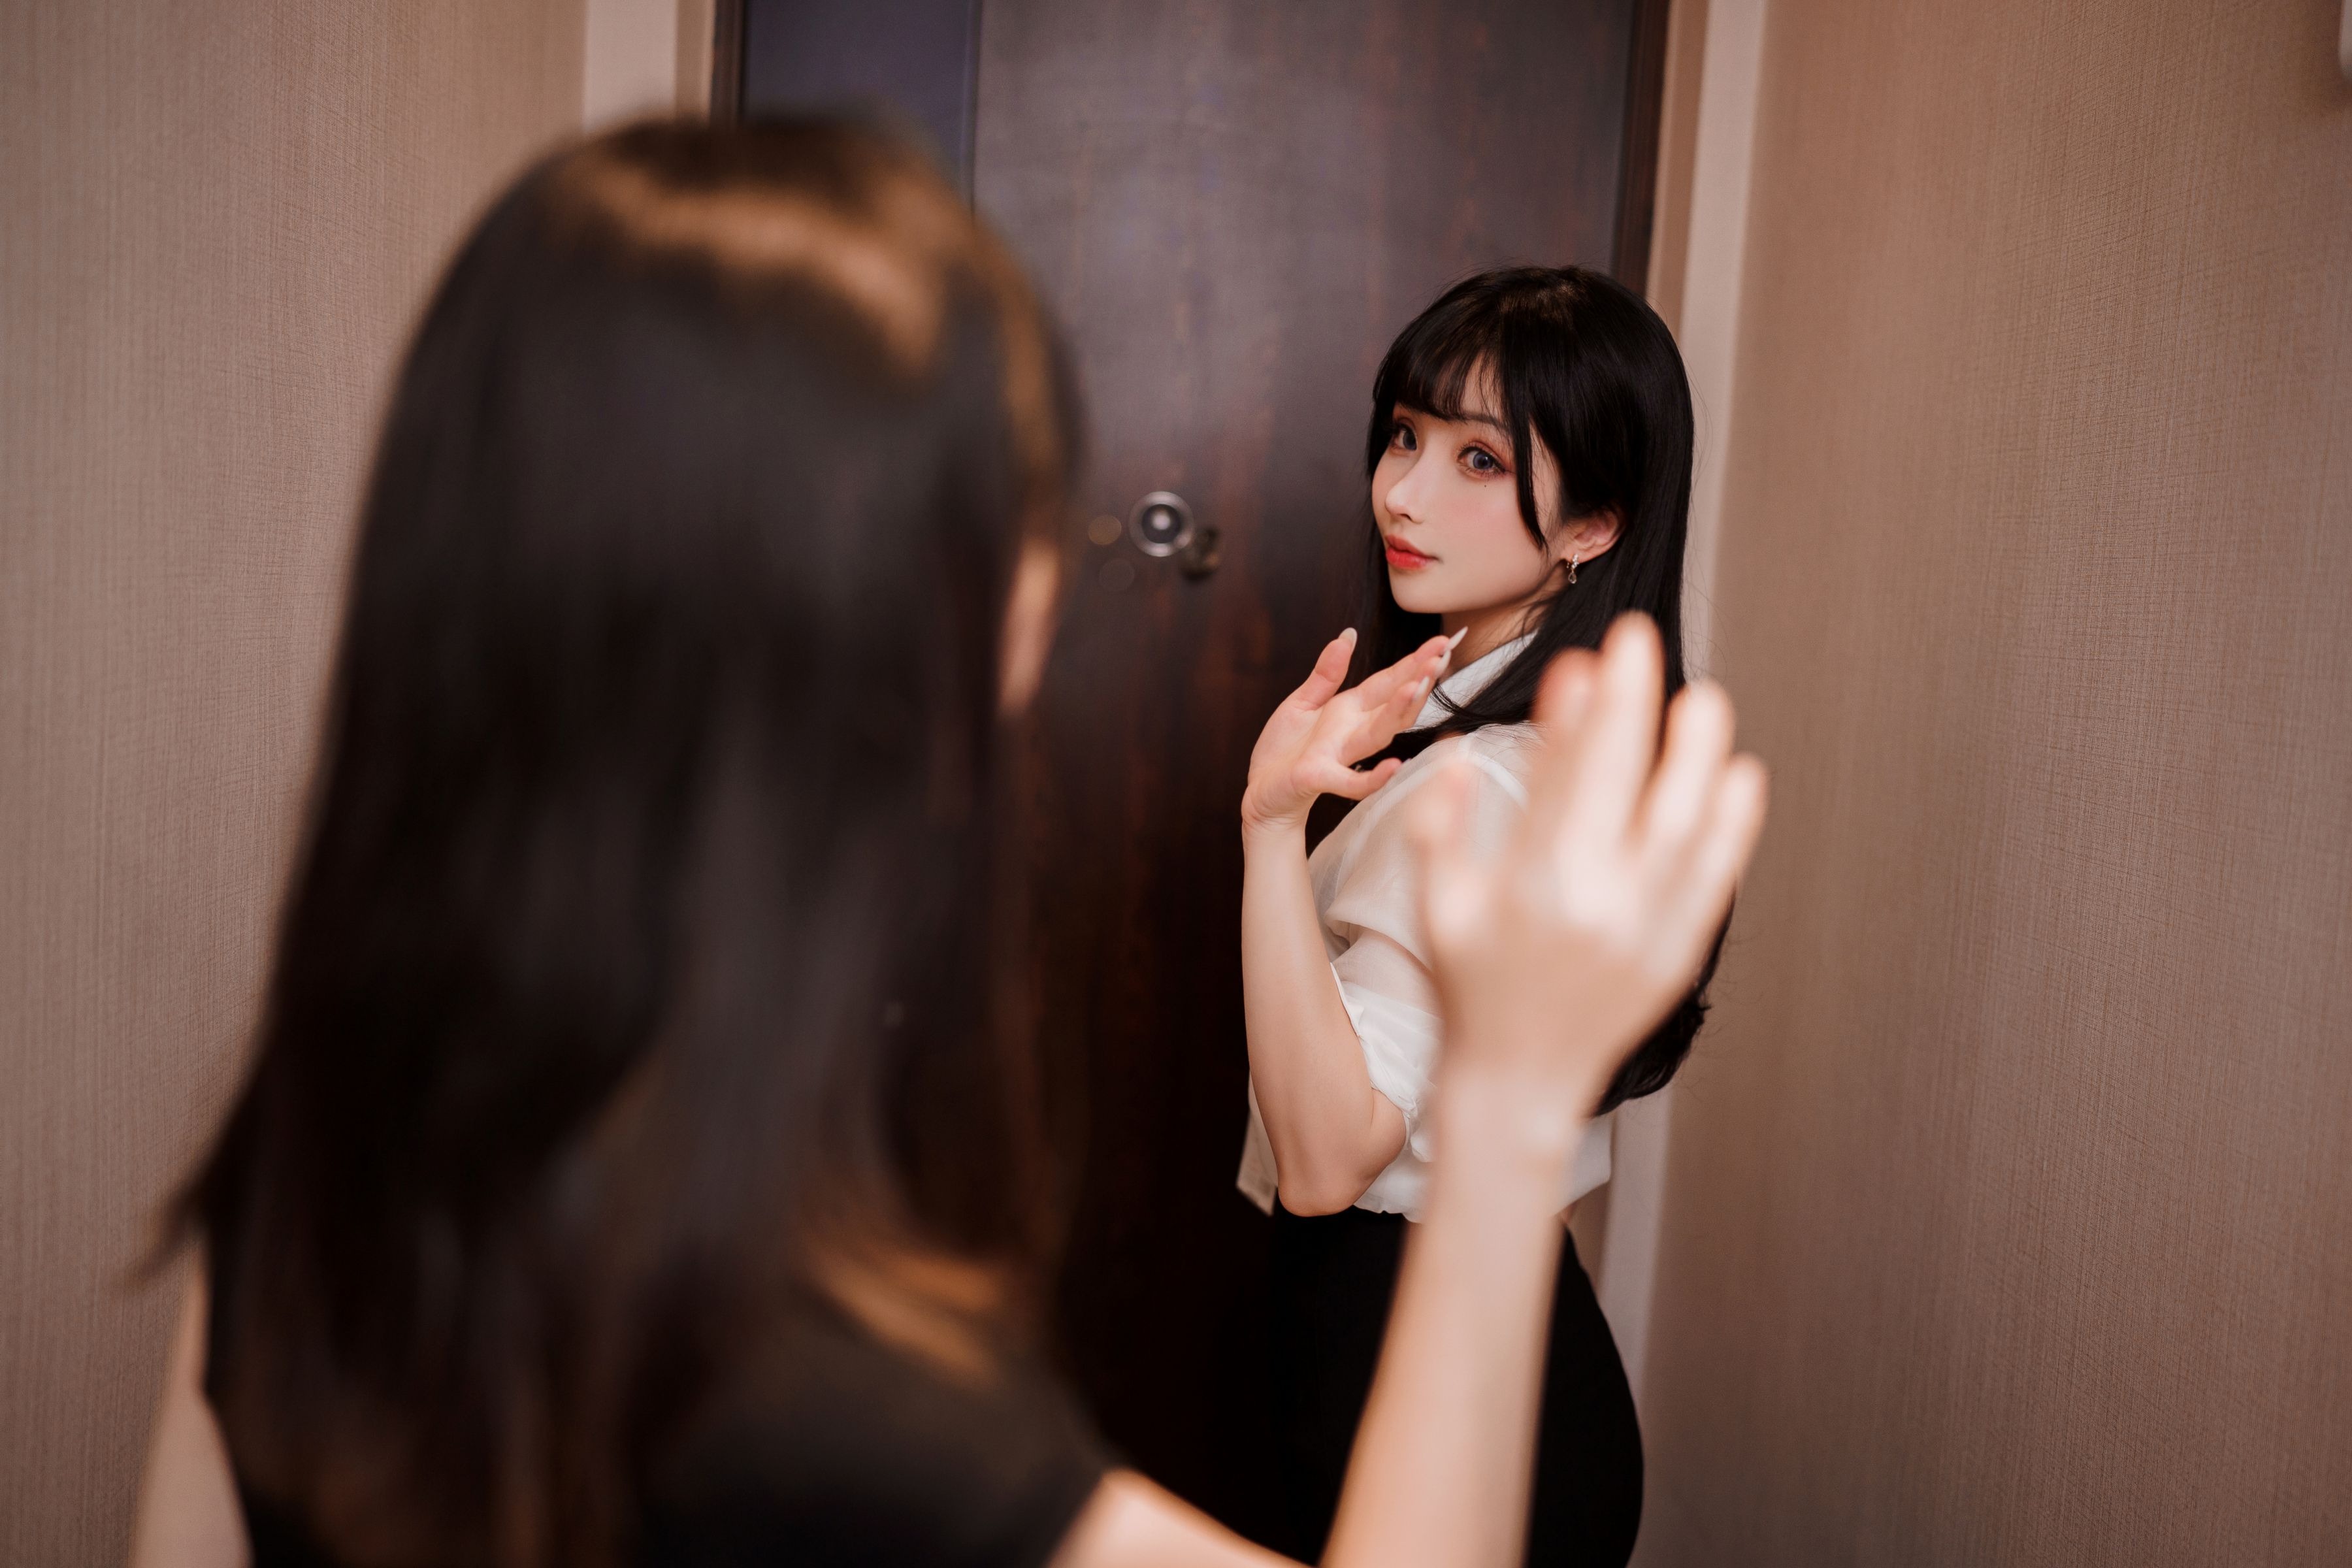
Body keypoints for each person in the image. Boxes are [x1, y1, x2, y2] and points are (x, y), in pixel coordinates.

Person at [126, 123, 1765, 1568]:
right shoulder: (836, 1408)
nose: (1055, 566)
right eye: (1017, 506)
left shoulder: (308, 1190)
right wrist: (1507, 1116)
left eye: (1476, 457)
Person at [1235, 267, 1711, 1565]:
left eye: (1479, 460)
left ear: (1593, 525)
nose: (1402, 491)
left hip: (1425, 1352)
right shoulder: (1507, 734)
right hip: (1486, 1340)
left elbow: (1330, 1162)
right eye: (1405, 436)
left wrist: (1269, 827)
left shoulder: (1488, 782)